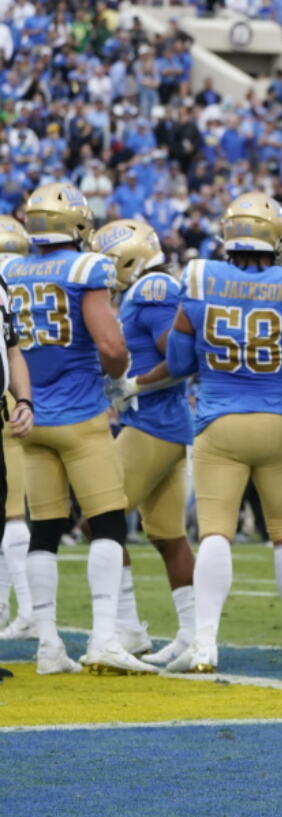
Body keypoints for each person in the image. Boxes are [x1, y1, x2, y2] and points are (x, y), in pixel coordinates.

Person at [164, 191, 282, 672]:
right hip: (280, 423)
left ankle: (204, 645)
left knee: (216, 533)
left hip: (218, 423)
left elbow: (178, 363)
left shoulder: (200, 279)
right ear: (276, 240)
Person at [5, 183, 150, 675]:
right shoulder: (85, 267)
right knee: (107, 522)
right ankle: (104, 637)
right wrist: (117, 375)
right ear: (76, 225)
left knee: (44, 529)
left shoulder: (10, 270)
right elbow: (110, 347)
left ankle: (48, 646)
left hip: (30, 417)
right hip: (80, 415)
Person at [91, 219, 198, 666]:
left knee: (101, 520)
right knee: (167, 535)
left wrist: (133, 384)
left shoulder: (152, 289)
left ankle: (128, 629)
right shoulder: (153, 288)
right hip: (164, 425)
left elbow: (180, 359)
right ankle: (192, 636)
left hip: (153, 425)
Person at [0, 216, 34, 640]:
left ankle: (20, 609)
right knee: (15, 515)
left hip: (10, 401)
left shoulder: (4, 286)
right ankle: (23, 610)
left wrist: (23, 398)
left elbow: (14, 347)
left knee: (7, 513)